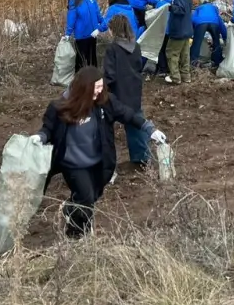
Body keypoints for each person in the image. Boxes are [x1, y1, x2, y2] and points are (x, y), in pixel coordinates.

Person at [30, 66, 166, 238]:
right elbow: (48, 129)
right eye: (96, 88)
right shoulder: (60, 107)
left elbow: (128, 114)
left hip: (99, 163)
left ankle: (71, 209)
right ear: (83, 89)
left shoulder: (105, 103)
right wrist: (40, 137)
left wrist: (149, 129)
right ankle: (77, 237)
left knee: (90, 198)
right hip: (73, 165)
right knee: (86, 199)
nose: (100, 91)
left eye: (101, 87)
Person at [101, 15, 150, 168]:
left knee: (104, 126)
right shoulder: (136, 46)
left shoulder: (112, 49)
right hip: (134, 90)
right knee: (135, 123)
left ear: (114, 30)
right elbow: (138, 67)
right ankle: (141, 158)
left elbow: (110, 75)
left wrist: (102, 91)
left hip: (116, 93)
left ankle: (105, 161)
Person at [163, 0, 193, 84]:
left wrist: (170, 7)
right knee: (185, 54)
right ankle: (186, 76)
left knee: (171, 52)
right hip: (186, 29)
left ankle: (175, 77)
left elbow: (181, 10)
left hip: (178, 31)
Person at [66, 0, 101, 71]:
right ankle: (79, 77)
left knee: (92, 57)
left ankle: (93, 76)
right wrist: (68, 33)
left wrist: (101, 23)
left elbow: (97, 11)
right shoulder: (74, 1)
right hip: (81, 35)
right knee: (81, 59)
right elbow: (71, 18)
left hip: (93, 32)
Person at [191, 0, 226, 67]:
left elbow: (193, 19)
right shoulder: (214, 8)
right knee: (216, 42)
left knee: (196, 43)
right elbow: (220, 21)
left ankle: (193, 61)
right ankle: (217, 61)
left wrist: (192, 33)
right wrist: (225, 36)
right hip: (214, 22)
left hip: (201, 22)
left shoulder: (199, 8)